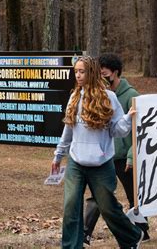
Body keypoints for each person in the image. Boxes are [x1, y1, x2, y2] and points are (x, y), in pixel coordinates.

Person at [51, 56, 143, 249]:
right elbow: (68, 129)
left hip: (101, 164)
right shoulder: (74, 96)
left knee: (108, 208)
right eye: (76, 71)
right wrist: (58, 155)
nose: (78, 75)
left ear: (91, 72)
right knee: (70, 208)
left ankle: (132, 237)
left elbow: (117, 130)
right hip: (76, 162)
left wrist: (128, 118)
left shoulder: (109, 97)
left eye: (82, 71)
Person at [82, 53, 150, 245]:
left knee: (134, 196)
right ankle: (85, 233)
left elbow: (140, 130)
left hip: (125, 157)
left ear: (116, 71)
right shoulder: (99, 96)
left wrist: (131, 156)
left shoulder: (132, 96)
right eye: (99, 70)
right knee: (98, 195)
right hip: (105, 157)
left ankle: (142, 231)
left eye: (106, 70)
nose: (102, 73)